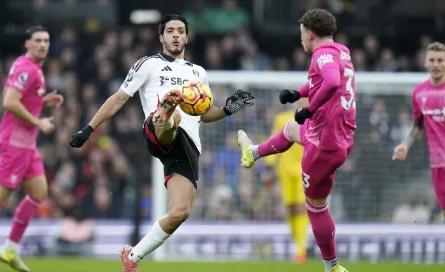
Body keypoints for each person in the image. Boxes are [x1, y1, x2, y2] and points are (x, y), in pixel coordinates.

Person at [69, 14, 254, 272]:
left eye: (180, 31)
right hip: (157, 131)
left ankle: (133, 256)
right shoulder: (148, 65)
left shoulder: (197, 72)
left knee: (180, 212)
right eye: (170, 31)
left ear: (187, 37)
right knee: (172, 114)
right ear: (161, 37)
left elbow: (203, 113)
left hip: (187, 148)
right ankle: (166, 109)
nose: (175, 35)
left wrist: (228, 109)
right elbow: (118, 99)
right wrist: (88, 128)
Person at [237, 9, 355, 272]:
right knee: (291, 129)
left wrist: (309, 109)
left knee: (315, 207)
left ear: (309, 34)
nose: (301, 38)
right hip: (340, 136)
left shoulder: (321, 54)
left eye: (302, 33)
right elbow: (325, 81)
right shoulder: (341, 51)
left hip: (323, 142)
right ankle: (253, 153)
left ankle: (332, 266)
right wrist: (297, 93)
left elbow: (333, 81)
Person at [0, 25, 64, 272]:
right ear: (27, 43)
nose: (43, 45)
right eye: (37, 40)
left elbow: (13, 94)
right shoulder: (27, 68)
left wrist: (43, 101)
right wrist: (38, 121)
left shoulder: (29, 66)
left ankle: (10, 250)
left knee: (39, 192)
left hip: (27, 145)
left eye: (46, 40)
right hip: (15, 143)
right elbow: (8, 101)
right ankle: (9, 249)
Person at [393, 42, 445, 220]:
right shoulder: (419, 92)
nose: (436, 64)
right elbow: (418, 126)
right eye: (433, 60)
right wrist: (405, 145)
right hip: (437, 163)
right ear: (426, 63)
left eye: (440, 60)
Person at [262, 103, 309, 263]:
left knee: (302, 208)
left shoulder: (314, 117)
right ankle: (298, 244)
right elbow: (276, 140)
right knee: (290, 210)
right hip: (285, 171)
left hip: (306, 169)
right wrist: (269, 163)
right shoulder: (281, 118)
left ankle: (301, 250)